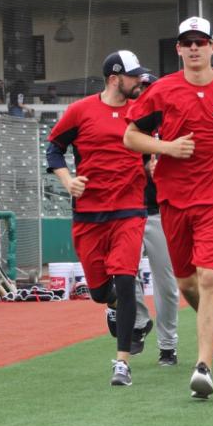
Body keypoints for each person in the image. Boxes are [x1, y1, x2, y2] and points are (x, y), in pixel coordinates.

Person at [124, 16, 213, 399]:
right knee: (187, 283)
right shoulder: (162, 91)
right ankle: (211, 326)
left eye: (202, 41)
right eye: (188, 42)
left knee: (211, 278)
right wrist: (166, 148)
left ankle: (203, 366)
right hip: (173, 200)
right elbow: (130, 136)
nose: (195, 47)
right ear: (179, 49)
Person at [46, 50, 151, 386]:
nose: (139, 81)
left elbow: (152, 145)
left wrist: (152, 160)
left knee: (123, 276)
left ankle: (122, 362)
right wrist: (67, 181)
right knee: (99, 291)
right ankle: (115, 303)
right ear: (114, 78)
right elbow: (53, 147)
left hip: (129, 209)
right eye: (133, 76)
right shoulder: (81, 111)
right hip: (89, 213)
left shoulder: (142, 111)